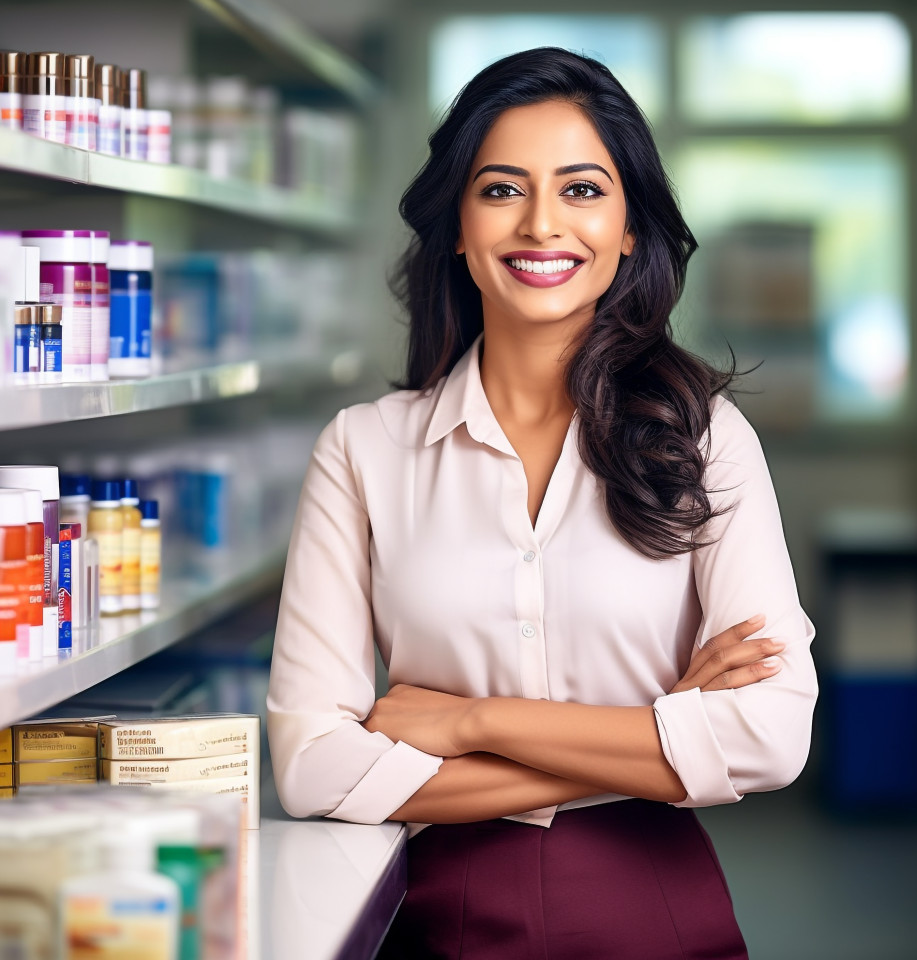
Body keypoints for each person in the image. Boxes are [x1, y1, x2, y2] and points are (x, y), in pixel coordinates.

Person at [267, 47, 818, 959]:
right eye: (500, 190)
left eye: (583, 190)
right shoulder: (365, 450)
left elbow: (770, 737)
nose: (541, 225)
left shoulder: (705, 439)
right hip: (439, 916)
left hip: (657, 914)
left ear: (632, 226)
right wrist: (656, 737)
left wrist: (469, 721)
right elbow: (316, 768)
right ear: (455, 223)